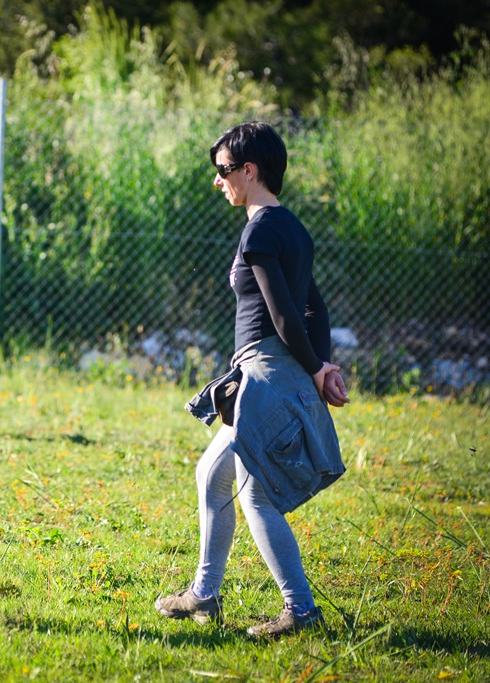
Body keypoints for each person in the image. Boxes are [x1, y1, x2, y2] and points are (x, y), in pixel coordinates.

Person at [154, 121, 350, 638]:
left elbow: (286, 314)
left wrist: (313, 369)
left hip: (266, 372)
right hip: (275, 372)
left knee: (256, 495)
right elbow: (317, 308)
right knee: (212, 475)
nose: (218, 181)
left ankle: (301, 611)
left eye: (223, 171)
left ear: (250, 169)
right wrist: (321, 367)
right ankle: (204, 595)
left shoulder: (260, 229)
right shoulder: (293, 228)